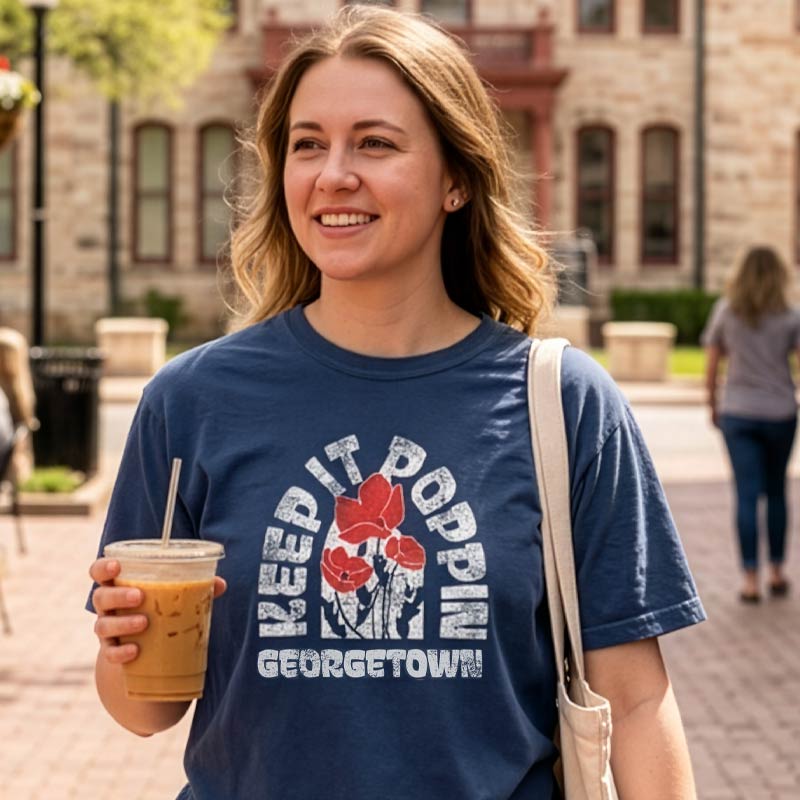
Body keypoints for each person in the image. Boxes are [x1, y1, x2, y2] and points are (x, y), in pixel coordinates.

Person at [88, 7, 705, 798]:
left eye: (374, 143)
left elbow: (637, 696)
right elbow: (145, 712)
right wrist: (125, 647)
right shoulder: (192, 400)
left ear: (455, 178)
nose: (333, 173)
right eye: (307, 144)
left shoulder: (563, 403)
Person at [702, 245, 800, 603]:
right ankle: (776, 571)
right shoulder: (790, 315)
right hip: (780, 413)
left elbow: (712, 365)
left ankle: (749, 578)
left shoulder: (727, 312)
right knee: (775, 492)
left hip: (739, 412)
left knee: (745, 494)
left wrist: (712, 403)